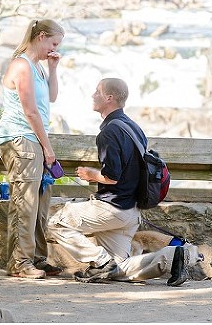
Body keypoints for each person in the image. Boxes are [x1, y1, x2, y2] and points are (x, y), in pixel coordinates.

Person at [47, 78, 188, 286]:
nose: (93, 95)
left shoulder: (109, 131)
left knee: (57, 222)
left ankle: (100, 261)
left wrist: (89, 174)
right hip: (131, 212)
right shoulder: (133, 127)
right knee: (119, 267)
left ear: (109, 98)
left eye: (97, 92)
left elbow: (112, 176)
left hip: (112, 208)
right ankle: (171, 257)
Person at [0, 19, 65, 279]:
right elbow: (30, 111)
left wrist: (53, 68)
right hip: (20, 137)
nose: (54, 49)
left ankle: (37, 258)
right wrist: (47, 147)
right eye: (54, 43)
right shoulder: (22, 65)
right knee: (25, 201)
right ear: (41, 36)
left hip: (32, 138)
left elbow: (52, 97)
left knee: (40, 201)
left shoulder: (38, 68)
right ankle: (19, 263)